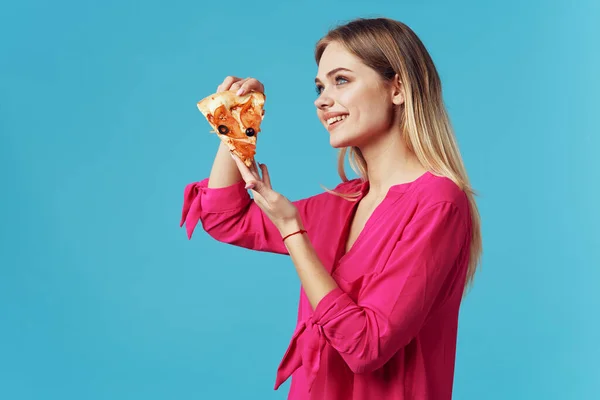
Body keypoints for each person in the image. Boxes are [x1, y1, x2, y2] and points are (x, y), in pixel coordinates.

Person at [180, 17, 483, 400]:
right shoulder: (342, 203)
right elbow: (225, 217)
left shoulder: (438, 203)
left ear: (398, 88)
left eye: (341, 80)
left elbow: (366, 346)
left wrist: (293, 233)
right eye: (321, 86)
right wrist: (237, 122)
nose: (321, 100)